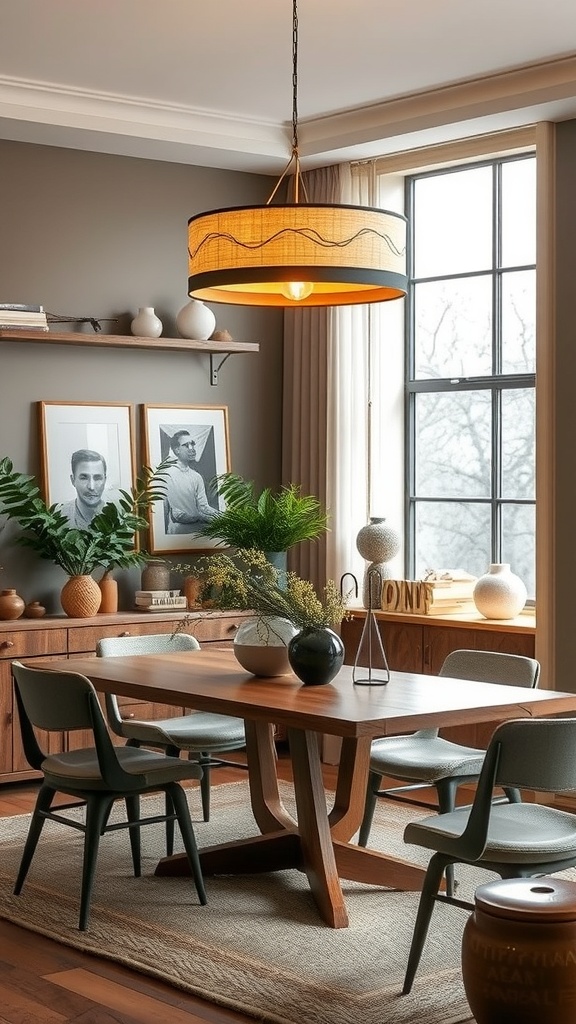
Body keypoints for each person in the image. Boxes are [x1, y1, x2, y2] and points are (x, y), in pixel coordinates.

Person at [164, 430, 217, 534]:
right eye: (186, 445)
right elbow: (168, 511)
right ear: (177, 450)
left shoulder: (196, 477)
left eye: (192, 444)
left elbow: (203, 506)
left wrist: (223, 516)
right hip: (176, 534)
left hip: (198, 532)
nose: (192, 449)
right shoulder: (166, 475)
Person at [60, 449, 107, 528]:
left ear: (105, 480)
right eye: (84, 478)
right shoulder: (59, 516)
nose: (91, 487)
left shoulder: (119, 516)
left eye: (97, 478)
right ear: (73, 480)